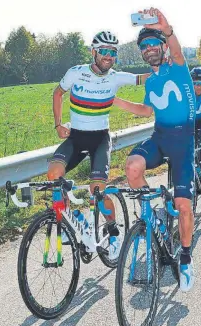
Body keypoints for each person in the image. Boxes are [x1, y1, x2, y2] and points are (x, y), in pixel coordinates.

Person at [113, 7, 196, 292]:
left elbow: (176, 48)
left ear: (162, 47)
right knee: (132, 166)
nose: (149, 49)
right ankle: (152, 213)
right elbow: (148, 109)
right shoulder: (152, 80)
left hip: (183, 140)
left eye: (153, 44)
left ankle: (185, 257)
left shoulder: (178, 68)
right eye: (144, 47)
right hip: (160, 136)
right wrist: (118, 102)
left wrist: (166, 28)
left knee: (184, 205)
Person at [48, 30, 149, 259]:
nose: (108, 56)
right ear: (93, 52)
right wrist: (57, 124)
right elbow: (57, 93)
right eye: (104, 51)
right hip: (76, 137)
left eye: (113, 52)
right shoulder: (76, 73)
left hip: (100, 139)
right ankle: (75, 221)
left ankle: (113, 234)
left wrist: (168, 68)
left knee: (98, 191)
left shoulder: (116, 77)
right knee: (54, 174)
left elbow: (144, 78)